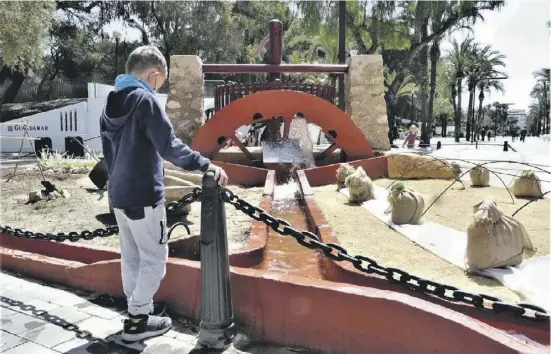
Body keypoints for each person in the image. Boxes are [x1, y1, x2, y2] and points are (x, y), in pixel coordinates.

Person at [100, 45, 228, 342]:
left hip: (118, 195)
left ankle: (137, 313)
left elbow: (108, 155)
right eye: (162, 82)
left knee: (131, 258)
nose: (160, 87)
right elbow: (169, 146)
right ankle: (137, 320)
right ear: (153, 74)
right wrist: (205, 165)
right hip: (143, 196)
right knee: (156, 259)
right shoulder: (145, 100)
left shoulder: (110, 102)